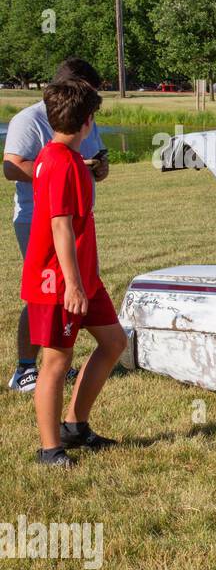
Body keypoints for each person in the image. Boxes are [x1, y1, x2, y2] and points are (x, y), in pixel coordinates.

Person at [21, 79, 126, 467]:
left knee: (114, 342)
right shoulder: (61, 164)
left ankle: (75, 426)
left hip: (84, 278)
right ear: (87, 122)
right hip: (59, 282)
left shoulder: (58, 156)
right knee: (56, 362)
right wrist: (74, 286)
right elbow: (60, 227)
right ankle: (50, 449)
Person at [3, 58, 108, 392]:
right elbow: (11, 167)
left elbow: (92, 160)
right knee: (44, 295)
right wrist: (59, 169)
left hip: (74, 219)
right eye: (89, 93)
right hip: (37, 219)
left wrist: (97, 170)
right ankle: (25, 369)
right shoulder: (29, 120)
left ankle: (58, 358)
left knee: (69, 291)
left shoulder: (85, 117)